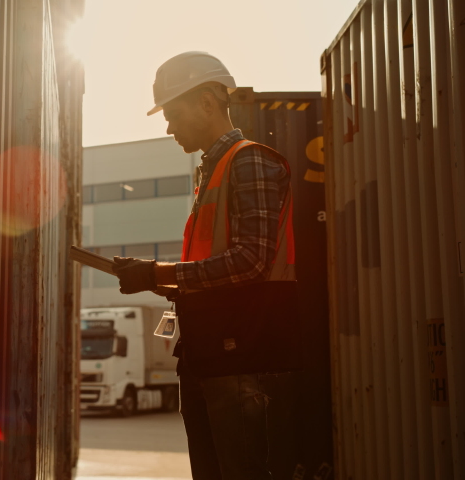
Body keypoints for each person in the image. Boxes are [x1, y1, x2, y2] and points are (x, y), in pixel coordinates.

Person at [111, 51, 300, 480]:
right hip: (212, 353)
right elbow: (215, 269)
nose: (169, 126)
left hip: (243, 357)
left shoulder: (249, 160)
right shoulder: (210, 171)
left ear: (208, 103)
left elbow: (251, 261)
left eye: (174, 113)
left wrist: (158, 272)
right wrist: (159, 280)